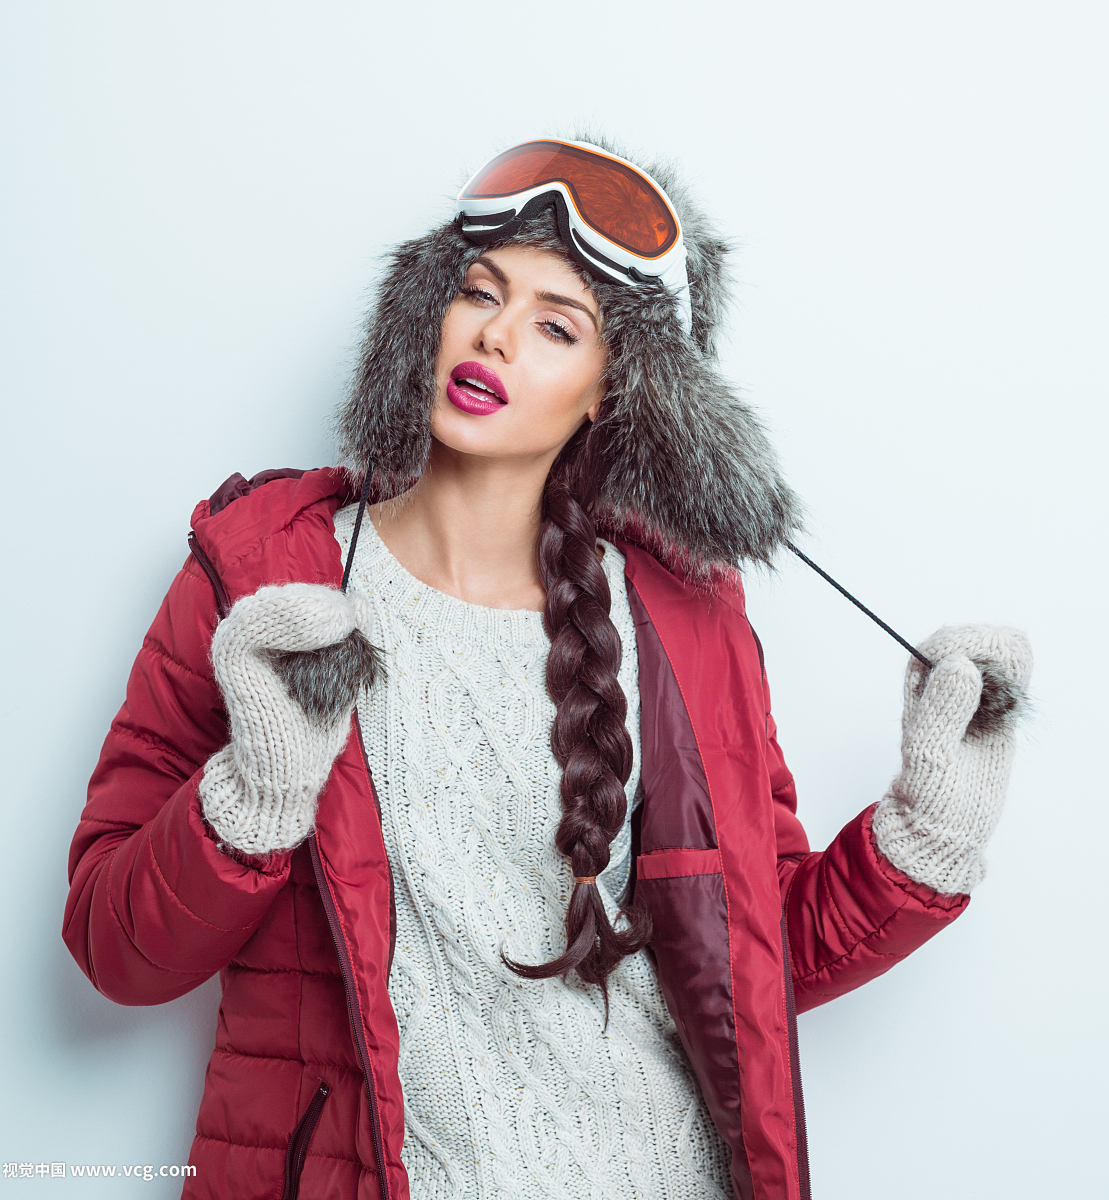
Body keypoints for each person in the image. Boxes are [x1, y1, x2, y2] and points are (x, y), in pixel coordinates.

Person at [62, 137, 1032, 1200]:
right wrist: (249, 800)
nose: (494, 334)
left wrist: (925, 836)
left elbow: (748, 961)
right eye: (479, 291)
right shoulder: (260, 578)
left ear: (612, 394)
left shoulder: (685, 620)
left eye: (556, 325)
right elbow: (118, 954)